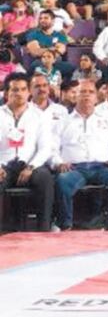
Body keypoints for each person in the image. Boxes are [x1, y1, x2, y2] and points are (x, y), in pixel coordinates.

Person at [51, 79, 108, 231]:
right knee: (62, 181)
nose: (86, 96)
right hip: (74, 168)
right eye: (82, 92)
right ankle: (65, 225)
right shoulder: (63, 121)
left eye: (91, 92)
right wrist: (58, 162)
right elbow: (52, 147)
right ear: (75, 96)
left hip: (102, 167)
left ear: (97, 98)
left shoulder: (106, 120)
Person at [0, 74, 55, 231]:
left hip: (30, 165)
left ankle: (44, 230)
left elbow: (45, 147)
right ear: (6, 93)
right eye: (15, 90)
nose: (19, 93)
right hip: (4, 166)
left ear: (29, 92)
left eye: (23, 89)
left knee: (45, 178)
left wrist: (31, 167)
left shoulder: (39, 116)